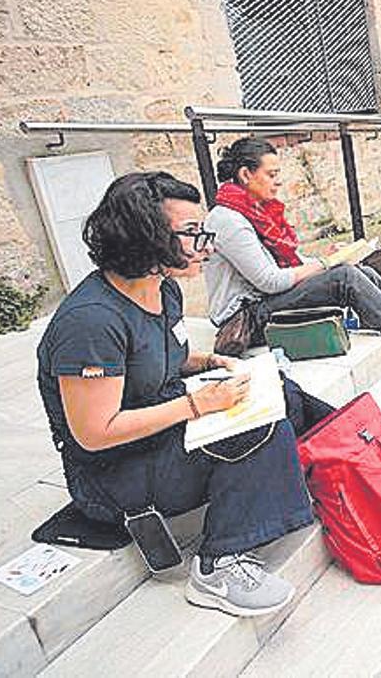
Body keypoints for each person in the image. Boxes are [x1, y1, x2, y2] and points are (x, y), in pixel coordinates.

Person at [37, 172, 312, 617]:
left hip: (156, 432)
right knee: (257, 430)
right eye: (191, 233)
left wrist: (206, 363)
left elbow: (162, 354)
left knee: (281, 391)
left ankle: (343, 464)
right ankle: (218, 565)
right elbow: (94, 432)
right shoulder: (89, 323)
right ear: (143, 234)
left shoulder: (162, 288)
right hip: (112, 475)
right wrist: (197, 404)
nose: (207, 244)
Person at [204, 137, 381, 364]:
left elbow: (283, 265)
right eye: (271, 175)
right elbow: (270, 281)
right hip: (244, 321)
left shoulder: (252, 211)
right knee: (344, 277)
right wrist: (325, 263)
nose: (278, 182)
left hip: (261, 305)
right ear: (246, 174)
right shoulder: (228, 219)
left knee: (357, 270)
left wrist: (334, 256)